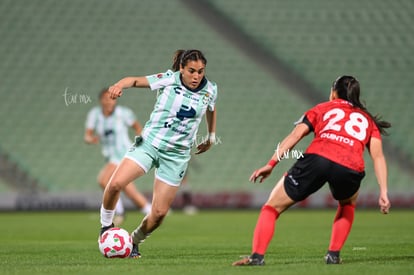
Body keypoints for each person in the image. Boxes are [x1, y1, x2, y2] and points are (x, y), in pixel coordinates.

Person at [232, 75, 391, 266]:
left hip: (318, 158)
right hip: (349, 166)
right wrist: (383, 192)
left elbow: (295, 135)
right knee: (347, 204)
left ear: (334, 92)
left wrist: (271, 164)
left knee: (271, 207)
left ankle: (257, 256)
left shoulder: (322, 108)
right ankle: (333, 254)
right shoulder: (368, 120)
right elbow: (378, 157)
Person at [99, 49, 218, 259]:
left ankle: (134, 241)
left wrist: (211, 136)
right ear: (181, 69)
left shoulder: (210, 90)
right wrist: (119, 85)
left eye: (200, 71)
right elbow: (135, 81)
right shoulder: (169, 79)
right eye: (191, 71)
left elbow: (211, 108)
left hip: (177, 156)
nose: (196, 76)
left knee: (159, 214)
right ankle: (105, 227)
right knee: (116, 183)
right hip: (150, 144)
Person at [85, 89, 152, 225]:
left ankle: (119, 212)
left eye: (112, 99)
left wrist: (141, 140)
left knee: (104, 180)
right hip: (110, 156)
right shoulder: (95, 115)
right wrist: (90, 139)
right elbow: (87, 135)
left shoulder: (124, 113)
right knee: (128, 189)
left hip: (124, 153)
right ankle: (151, 212)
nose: (109, 101)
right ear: (101, 100)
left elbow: (138, 128)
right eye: (106, 99)